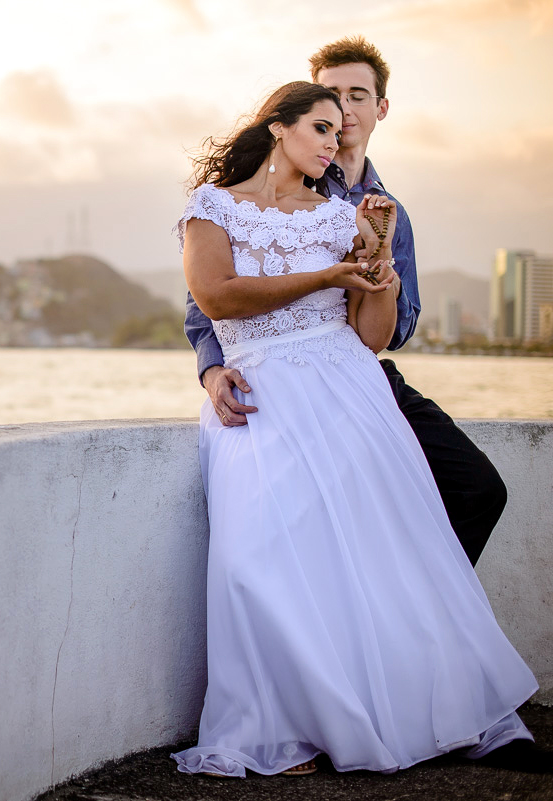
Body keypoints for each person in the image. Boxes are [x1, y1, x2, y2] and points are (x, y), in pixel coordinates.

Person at [169, 80, 537, 778]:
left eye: (340, 132)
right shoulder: (211, 209)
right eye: (320, 127)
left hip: (349, 391)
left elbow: (371, 335)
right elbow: (214, 295)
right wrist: (322, 280)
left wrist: (382, 262)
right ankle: (289, 723)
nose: (333, 142)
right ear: (278, 128)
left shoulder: (347, 217)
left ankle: (426, 707)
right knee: (258, 562)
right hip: (262, 396)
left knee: (379, 554)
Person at [183, 37, 506, 567]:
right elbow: (207, 303)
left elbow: (392, 330)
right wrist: (212, 370)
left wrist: (381, 267)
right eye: (331, 98)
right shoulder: (246, 195)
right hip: (271, 374)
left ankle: (413, 609)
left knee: (478, 491)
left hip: (358, 370)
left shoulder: (386, 208)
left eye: (358, 96)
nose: (344, 112)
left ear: (380, 109)